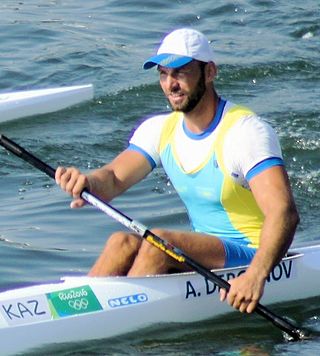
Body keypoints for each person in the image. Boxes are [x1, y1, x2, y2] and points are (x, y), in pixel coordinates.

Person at [55, 28, 299, 313]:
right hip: (208, 254)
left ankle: (122, 321)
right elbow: (112, 179)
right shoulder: (160, 130)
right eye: (163, 74)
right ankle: (80, 314)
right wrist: (88, 182)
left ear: (209, 72)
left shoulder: (245, 132)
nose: (170, 84)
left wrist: (255, 276)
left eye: (180, 73)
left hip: (254, 255)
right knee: (120, 241)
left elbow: (284, 212)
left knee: (161, 242)